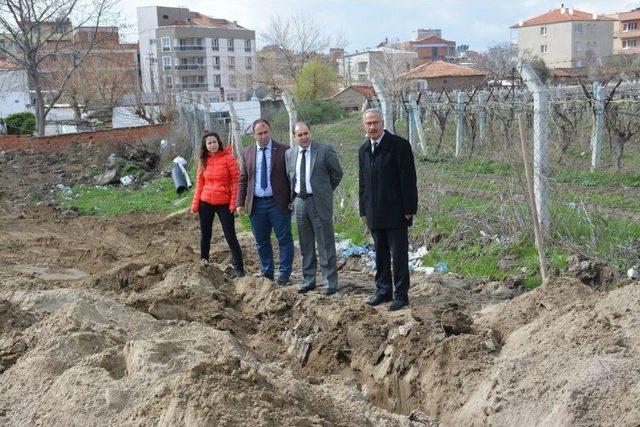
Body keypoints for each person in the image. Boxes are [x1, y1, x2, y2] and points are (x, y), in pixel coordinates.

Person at [359, 108, 418, 311]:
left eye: (375, 123)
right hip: (374, 212)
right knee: (380, 254)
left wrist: (409, 208)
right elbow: (363, 183)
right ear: (364, 126)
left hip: (396, 211)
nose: (372, 127)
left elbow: (408, 180)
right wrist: (363, 208)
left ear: (382, 123)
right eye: (369, 124)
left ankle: (401, 295)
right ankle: (383, 290)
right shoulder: (364, 149)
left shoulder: (399, 146)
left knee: (398, 255)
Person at [286, 122, 343, 296]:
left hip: (318, 202)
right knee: (306, 244)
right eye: (300, 135)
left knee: (325, 243)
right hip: (300, 202)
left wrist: (324, 191)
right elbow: (291, 177)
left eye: (306, 133)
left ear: (310, 133)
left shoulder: (324, 150)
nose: (304, 137)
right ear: (294, 137)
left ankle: (330, 282)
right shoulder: (290, 153)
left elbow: (337, 173)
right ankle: (308, 280)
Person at [236, 119, 294, 285]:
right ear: (253, 135)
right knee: (261, 241)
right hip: (257, 204)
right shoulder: (247, 152)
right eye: (260, 133)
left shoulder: (284, 150)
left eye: (266, 132)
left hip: (278, 203)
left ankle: (284, 274)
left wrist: (292, 199)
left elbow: (292, 177)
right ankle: (267, 271)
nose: (263, 136)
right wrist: (239, 202)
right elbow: (243, 178)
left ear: (270, 131)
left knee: (284, 239)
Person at [191, 131, 245, 277]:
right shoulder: (203, 160)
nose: (212, 145)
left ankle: (239, 268)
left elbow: (236, 181)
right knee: (205, 235)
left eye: (214, 142)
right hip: (206, 202)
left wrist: (233, 203)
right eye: (209, 143)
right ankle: (204, 263)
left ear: (218, 143)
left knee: (230, 235)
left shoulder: (228, 158)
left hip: (224, 203)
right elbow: (200, 182)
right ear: (205, 145)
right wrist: (195, 204)